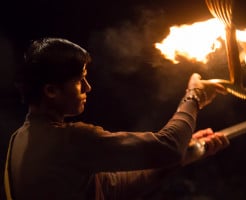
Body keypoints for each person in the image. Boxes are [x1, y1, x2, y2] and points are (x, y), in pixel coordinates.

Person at [4, 37, 229, 200]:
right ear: (51, 90)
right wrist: (194, 97)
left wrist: (183, 153)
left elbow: (111, 189)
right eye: (79, 80)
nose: (88, 88)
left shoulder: (20, 139)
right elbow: (168, 146)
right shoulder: (70, 141)